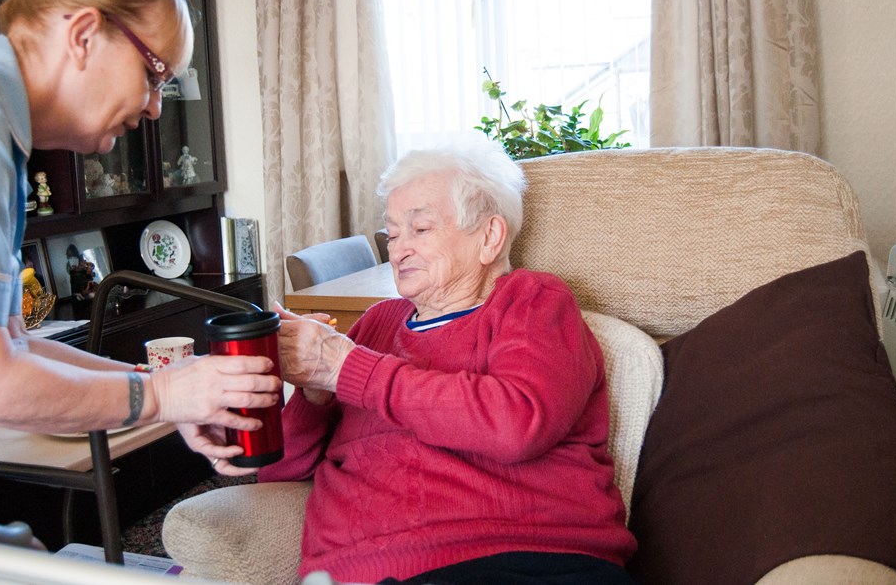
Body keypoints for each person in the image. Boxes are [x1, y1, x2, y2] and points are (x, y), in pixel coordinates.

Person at [240, 142, 638, 584]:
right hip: (357, 571)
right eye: (391, 235)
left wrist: (345, 368)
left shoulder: (531, 302)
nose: (399, 251)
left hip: (519, 560)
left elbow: (516, 424)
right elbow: (277, 472)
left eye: (421, 229)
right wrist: (314, 391)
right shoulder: (376, 324)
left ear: (490, 237)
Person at [0, 0, 279, 460]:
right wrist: (162, 395)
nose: (155, 108)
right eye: (152, 74)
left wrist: (167, 390)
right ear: (82, 36)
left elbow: (14, 348)